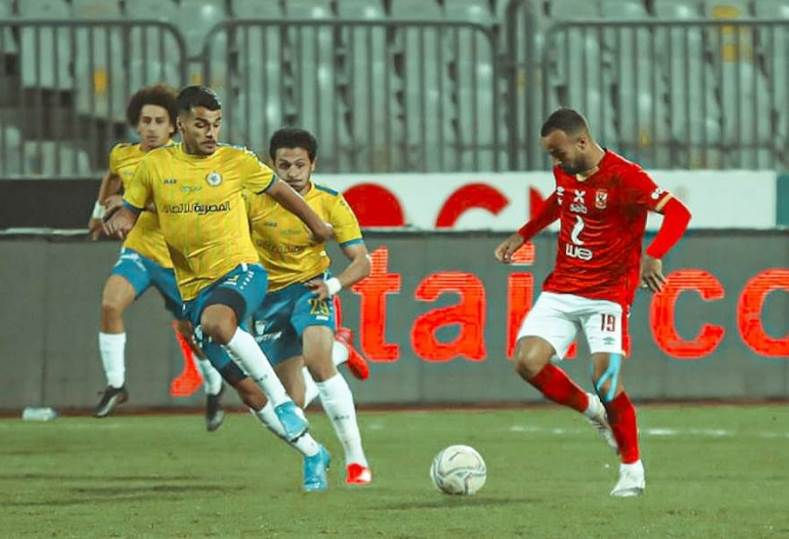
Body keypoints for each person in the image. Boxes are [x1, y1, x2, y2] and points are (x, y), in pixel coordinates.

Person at [103, 86, 334, 491]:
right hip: (193, 290)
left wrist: (316, 223)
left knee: (218, 323)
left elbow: (280, 191)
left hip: (241, 271)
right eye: (201, 124)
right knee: (249, 394)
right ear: (181, 125)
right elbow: (131, 208)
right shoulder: (154, 166)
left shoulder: (236, 161)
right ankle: (313, 453)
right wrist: (120, 217)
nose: (211, 132)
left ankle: (284, 402)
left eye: (216, 124)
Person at [495, 108, 691, 497]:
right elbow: (560, 201)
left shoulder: (626, 177)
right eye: (551, 154)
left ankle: (632, 470)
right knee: (527, 362)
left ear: (582, 142)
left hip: (607, 294)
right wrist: (522, 235)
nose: (555, 161)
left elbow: (678, 213)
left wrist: (655, 254)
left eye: (558, 152)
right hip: (563, 286)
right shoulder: (565, 171)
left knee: (606, 380)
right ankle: (593, 411)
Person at [88, 84, 226, 431]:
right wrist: (97, 212)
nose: (151, 127)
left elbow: (179, 205)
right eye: (145, 120)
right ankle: (116, 385)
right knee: (109, 304)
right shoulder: (123, 155)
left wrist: (128, 204)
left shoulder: (183, 161)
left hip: (177, 262)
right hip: (138, 251)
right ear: (136, 124)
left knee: (193, 334)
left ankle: (213, 387)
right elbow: (112, 177)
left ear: (173, 127)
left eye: (158, 121)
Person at [245, 128, 372, 486]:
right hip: (266, 300)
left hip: (311, 291)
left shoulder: (330, 201)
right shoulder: (252, 200)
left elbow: (362, 261)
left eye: (300, 164)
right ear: (272, 164)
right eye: (284, 165)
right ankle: (341, 351)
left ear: (312, 164)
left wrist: (332, 286)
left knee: (317, 362)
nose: (292, 172)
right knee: (289, 405)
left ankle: (356, 461)